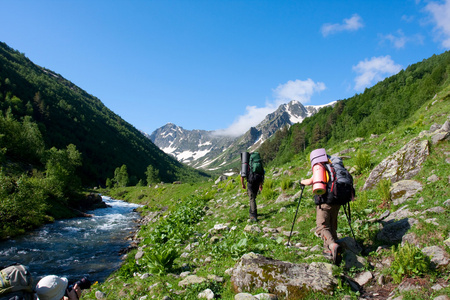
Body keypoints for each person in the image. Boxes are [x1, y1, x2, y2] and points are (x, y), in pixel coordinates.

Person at [301, 148, 342, 265]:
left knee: (321, 226)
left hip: (326, 200)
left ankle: (332, 245)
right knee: (332, 223)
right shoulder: (332, 165)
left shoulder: (320, 168)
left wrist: (302, 182)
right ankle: (330, 251)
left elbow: (311, 181)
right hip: (337, 199)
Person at [240, 152, 264, 222]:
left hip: (250, 182)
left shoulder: (246, 164)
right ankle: (251, 212)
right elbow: (261, 173)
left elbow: (242, 176)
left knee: (252, 198)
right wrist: (260, 185)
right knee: (254, 197)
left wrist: (243, 184)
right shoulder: (257, 163)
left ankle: (254, 215)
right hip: (257, 180)